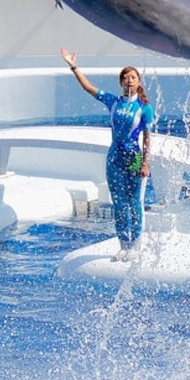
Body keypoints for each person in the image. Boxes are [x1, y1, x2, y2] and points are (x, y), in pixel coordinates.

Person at [60, 48, 155, 261]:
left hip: (134, 157)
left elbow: (147, 138)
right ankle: (123, 244)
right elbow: (89, 88)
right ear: (121, 82)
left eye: (133, 78)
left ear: (138, 82)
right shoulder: (113, 102)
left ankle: (136, 245)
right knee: (118, 202)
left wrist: (145, 164)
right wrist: (73, 67)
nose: (129, 81)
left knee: (134, 202)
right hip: (114, 158)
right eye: (125, 78)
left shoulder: (144, 108)